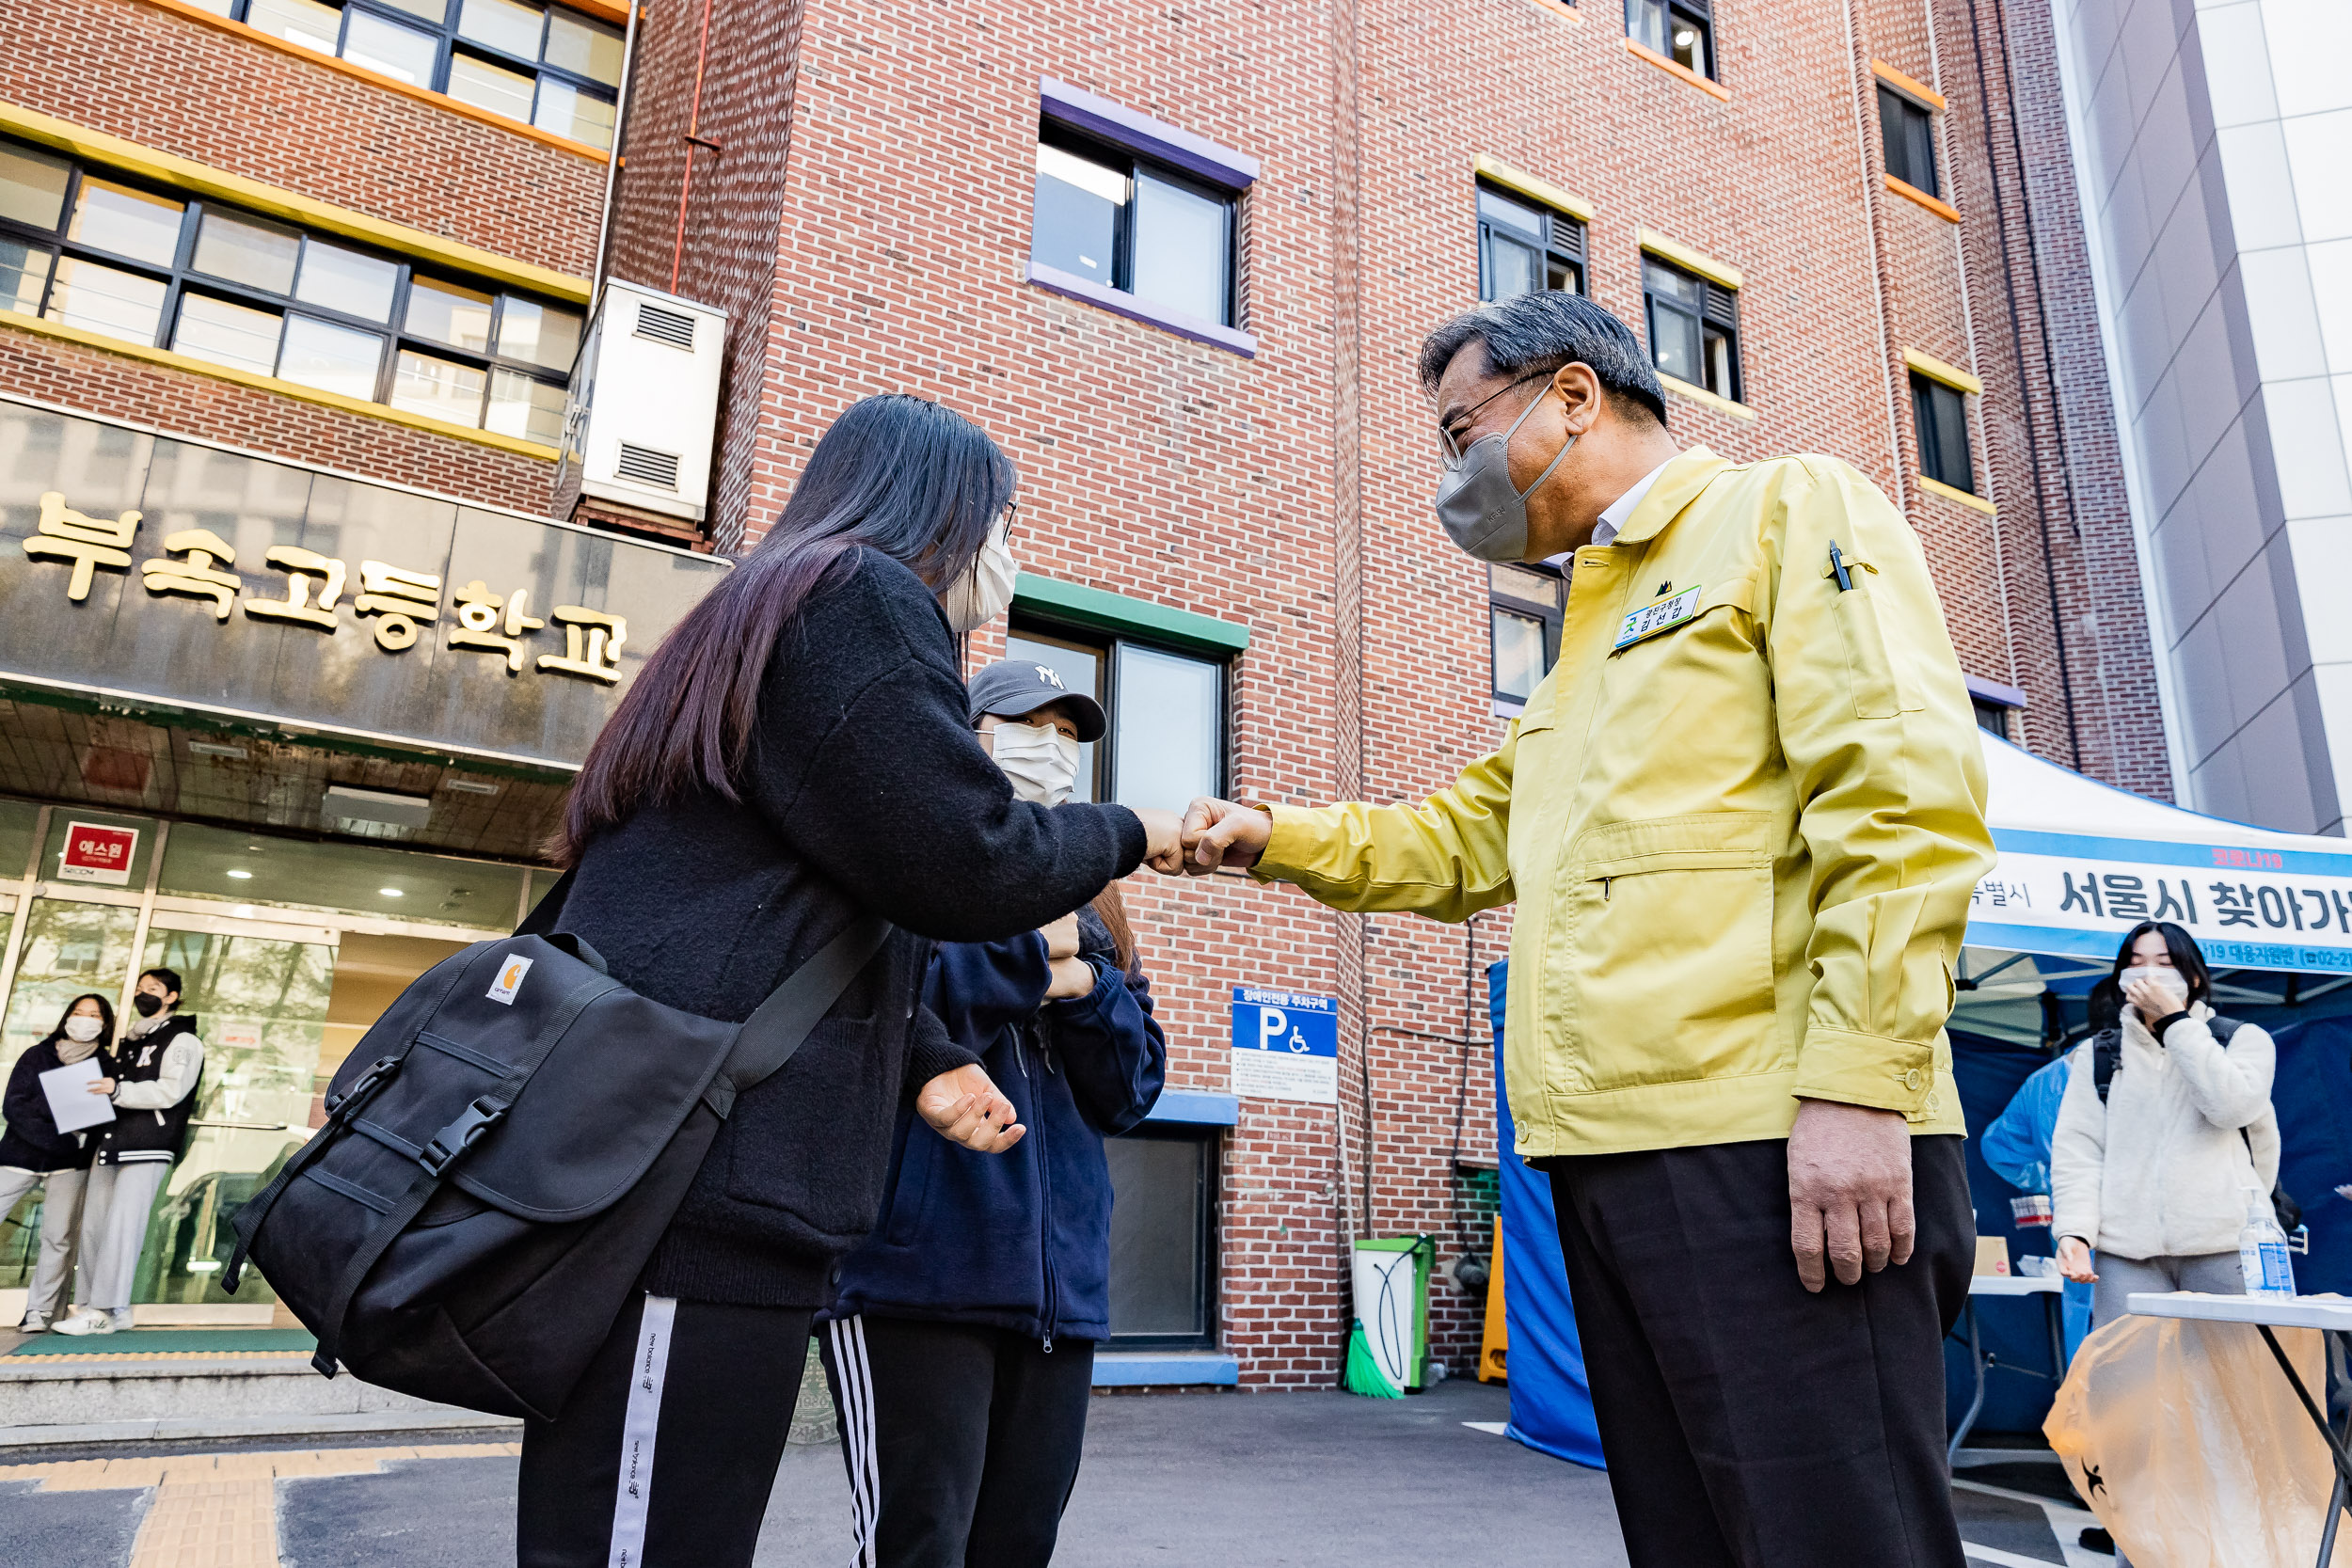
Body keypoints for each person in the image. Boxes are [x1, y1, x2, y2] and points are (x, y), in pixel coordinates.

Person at [1174, 290, 1994, 1568]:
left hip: (1772, 1139)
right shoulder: (1584, 642)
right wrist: (1273, 836)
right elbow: (1455, 840)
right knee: (1697, 1536)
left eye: (1460, 431)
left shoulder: (1786, 511)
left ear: (1570, 396)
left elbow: (1902, 802)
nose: (1454, 473)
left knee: (1838, 1538)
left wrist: (1859, 1085)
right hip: (1615, 1161)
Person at [516, 394, 1185, 1568]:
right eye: (1005, 521)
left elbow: (799, 914)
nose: (1013, 555)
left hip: (715, 1174)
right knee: (642, 1542)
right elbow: (961, 858)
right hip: (701, 1180)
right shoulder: (858, 594)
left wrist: (925, 1061)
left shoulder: (771, 617)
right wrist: (1137, 825)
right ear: (944, 514)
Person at [818, 659, 1168, 1568]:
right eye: (1026, 724)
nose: (1050, 750)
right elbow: (885, 1006)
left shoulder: (1097, 897)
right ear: (966, 734)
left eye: (1068, 734)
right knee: (916, 1545)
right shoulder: (905, 861)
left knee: (1018, 1545)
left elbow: (1132, 1090)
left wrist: (1083, 979)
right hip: (918, 1279)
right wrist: (1029, 952)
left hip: (1060, 1295)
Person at [2052, 921, 2279, 1327]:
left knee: (2235, 1382)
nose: (2148, 974)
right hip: (2125, 1253)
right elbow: (2079, 1152)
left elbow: (2231, 1108)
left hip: (2228, 1244)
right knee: (2130, 1382)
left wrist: (2176, 1022)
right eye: (2135, 963)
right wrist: (2075, 1232)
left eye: (2164, 962)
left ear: (2193, 976)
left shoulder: (2242, 1040)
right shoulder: (2099, 1054)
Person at [55, 969, 204, 1338]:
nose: (143, 994)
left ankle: (106, 1308)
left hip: (148, 1144)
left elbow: (172, 1091)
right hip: (112, 1143)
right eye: (139, 989)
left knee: (123, 1228)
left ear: (172, 996)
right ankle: (93, 1307)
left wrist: (117, 1091)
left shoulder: (182, 1040)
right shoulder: (133, 1041)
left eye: (153, 989)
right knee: (95, 1227)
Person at [0, 993, 112, 1331]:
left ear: (105, 1024)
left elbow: (99, 1120)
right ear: (66, 1016)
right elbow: (15, 1106)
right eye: (79, 1012)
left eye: (94, 1014)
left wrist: (67, 1136)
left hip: (69, 1167)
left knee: (57, 1238)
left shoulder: (106, 1066)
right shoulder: (37, 1055)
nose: (85, 1019)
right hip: (19, 1157)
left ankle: (39, 1311)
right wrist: (61, 1136)